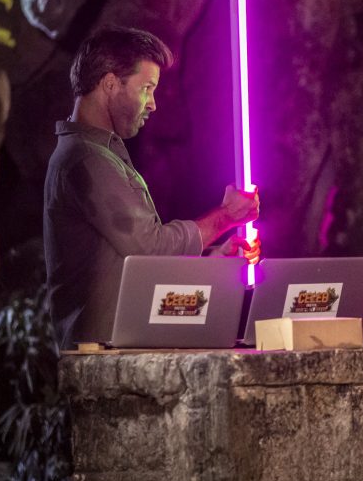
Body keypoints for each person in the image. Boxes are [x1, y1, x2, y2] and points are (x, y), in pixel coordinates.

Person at [44, 26, 260, 348]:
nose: (153, 104)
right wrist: (226, 217)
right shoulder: (86, 159)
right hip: (104, 361)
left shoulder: (97, 155)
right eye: (146, 88)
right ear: (110, 84)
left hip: (115, 354)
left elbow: (142, 272)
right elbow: (151, 249)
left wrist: (214, 263)